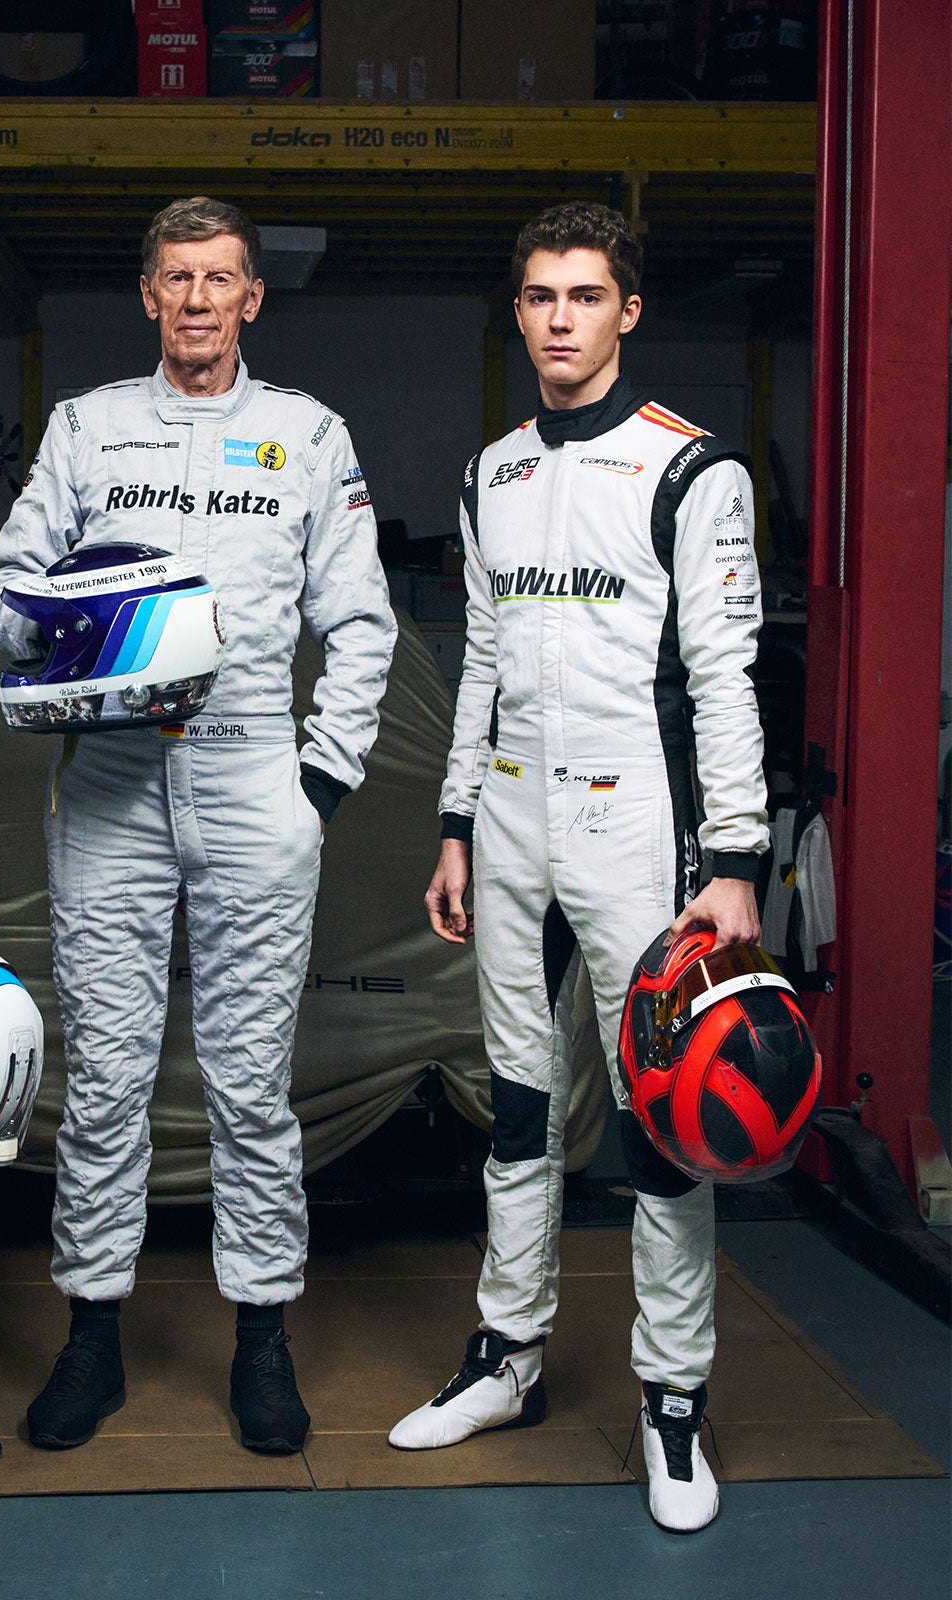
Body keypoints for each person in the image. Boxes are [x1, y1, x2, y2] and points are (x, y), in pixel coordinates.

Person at [0, 197, 396, 1456]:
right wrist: (81, 635)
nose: (200, 300)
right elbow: (2, 594)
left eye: (222, 279)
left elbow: (363, 627)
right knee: (103, 1076)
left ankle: (261, 1339)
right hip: (108, 784)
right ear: (149, 296)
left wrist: (318, 781)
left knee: (249, 1084)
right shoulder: (87, 427)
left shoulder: (305, 437)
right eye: (177, 279)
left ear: (252, 297)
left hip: (254, 782)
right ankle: (91, 1338)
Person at [386, 203, 767, 1534]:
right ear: (520, 312)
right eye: (541, 295)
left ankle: (673, 1403)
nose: (560, 317)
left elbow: (725, 677)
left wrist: (735, 859)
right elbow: (478, 667)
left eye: (585, 295)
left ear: (628, 312)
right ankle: (508, 1358)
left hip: (639, 833)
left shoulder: (691, 470)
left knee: (665, 1118)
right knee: (518, 1106)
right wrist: (452, 825)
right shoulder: (490, 474)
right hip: (509, 831)